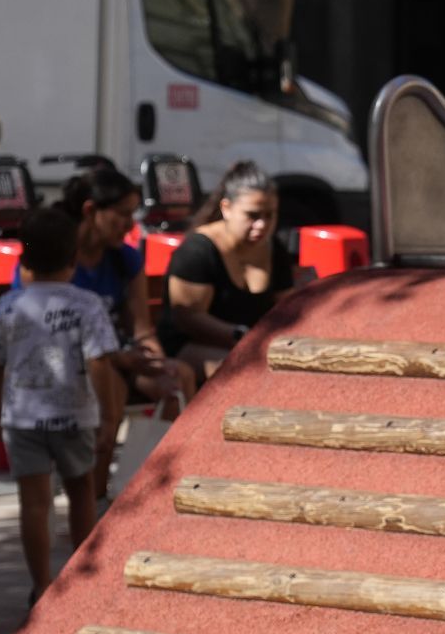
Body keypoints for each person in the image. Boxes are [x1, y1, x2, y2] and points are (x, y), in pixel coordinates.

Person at [0, 208, 119, 605]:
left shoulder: (8, 306)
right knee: (81, 494)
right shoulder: (87, 304)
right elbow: (100, 362)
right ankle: (82, 576)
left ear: (22, 260)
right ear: (74, 258)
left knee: (34, 504)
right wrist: (108, 414)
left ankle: (41, 584)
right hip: (75, 414)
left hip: (22, 419)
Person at [29, 168, 195, 499]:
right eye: (122, 214)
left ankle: (160, 490)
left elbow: (142, 328)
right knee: (110, 387)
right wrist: (124, 358)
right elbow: (45, 329)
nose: (130, 224)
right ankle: (96, 499)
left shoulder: (124, 258)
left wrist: (158, 364)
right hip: (64, 363)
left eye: (133, 214)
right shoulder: (56, 255)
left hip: (116, 358)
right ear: (91, 210)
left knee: (181, 376)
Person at [159, 160, 295, 381]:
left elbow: (286, 308)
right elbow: (189, 319)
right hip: (191, 345)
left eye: (270, 215)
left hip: (254, 347)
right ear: (226, 208)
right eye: (253, 215)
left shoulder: (274, 249)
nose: (262, 225)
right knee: (246, 373)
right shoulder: (198, 250)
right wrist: (241, 336)